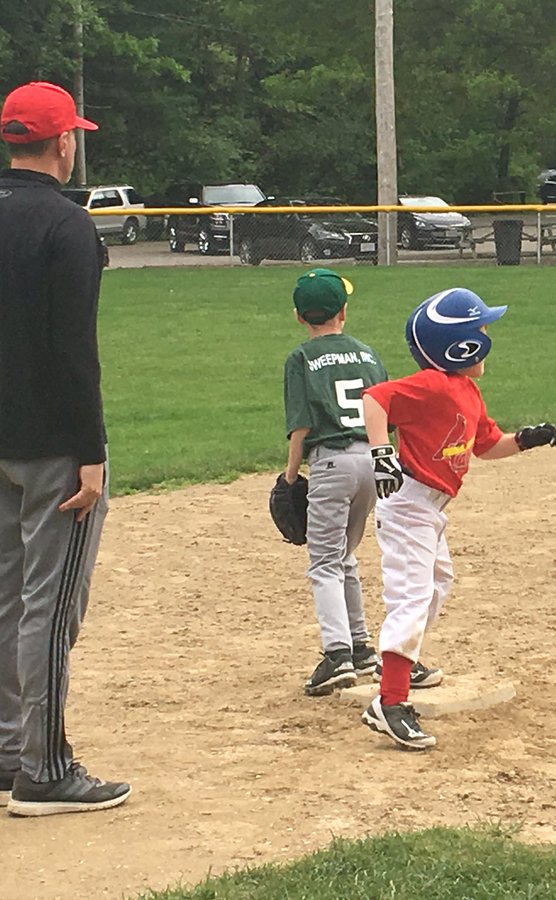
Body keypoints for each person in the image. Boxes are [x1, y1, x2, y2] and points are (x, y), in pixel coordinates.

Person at [0, 81, 131, 815]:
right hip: (54, 442)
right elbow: (73, 350)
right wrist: (90, 448)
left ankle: (9, 749)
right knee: (49, 607)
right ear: (60, 142)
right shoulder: (67, 226)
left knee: (5, 598)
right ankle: (44, 771)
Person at [359, 288, 556, 750]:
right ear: (460, 345)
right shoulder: (432, 384)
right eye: (481, 329)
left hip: (430, 507)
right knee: (411, 597)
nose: (487, 335)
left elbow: (487, 446)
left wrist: (527, 439)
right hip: (408, 502)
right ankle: (388, 703)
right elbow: (375, 399)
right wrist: (382, 454)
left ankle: (400, 661)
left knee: (437, 585)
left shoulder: (466, 390)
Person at [283, 268, 395, 696]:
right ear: (343, 312)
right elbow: (386, 411)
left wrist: (291, 477)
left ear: (299, 316)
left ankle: (337, 654)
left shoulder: (301, 359)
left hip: (331, 463)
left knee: (324, 562)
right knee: (344, 556)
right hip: (372, 460)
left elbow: (301, 426)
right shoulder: (368, 354)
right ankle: (361, 645)